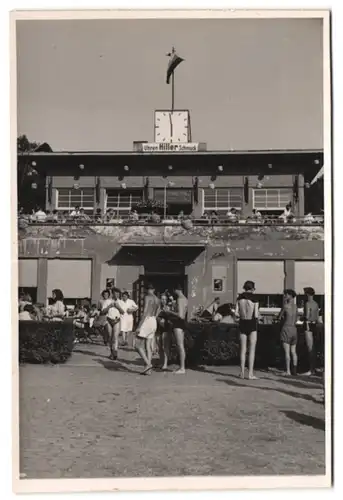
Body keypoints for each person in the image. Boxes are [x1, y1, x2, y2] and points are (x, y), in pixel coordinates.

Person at [235, 280, 259, 380]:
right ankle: (250, 374)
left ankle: (241, 373)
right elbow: (256, 314)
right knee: (252, 349)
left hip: (242, 323)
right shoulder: (255, 298)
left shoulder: (239, 298)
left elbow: (236, 313)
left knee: (243, 349)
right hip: (252, 323)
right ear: (252, 288)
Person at [135, 284, 160, 375]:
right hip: (153, 320)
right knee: (148, 345)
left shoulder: (147, 297)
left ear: (148, 289)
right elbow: (157, 312)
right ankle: (148, 369)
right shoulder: (157, 299)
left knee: (137, 345)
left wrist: (139, 326)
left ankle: (148, 364)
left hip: (147, 319)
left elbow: (145, 312)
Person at [167, 285, 188, 374]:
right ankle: (182, 366)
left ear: (177, 290)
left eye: (174, 291)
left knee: (180, 346)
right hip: (182, 324)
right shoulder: (185, 299)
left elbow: (180, 315)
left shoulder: (180, 299)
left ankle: (182, 368)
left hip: (178, 323)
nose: (174, 293)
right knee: (181, 346)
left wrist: (169, 311)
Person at [277, 289, 298, 376]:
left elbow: (279, 317)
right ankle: (295, 370)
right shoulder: (296, 306)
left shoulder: (285, 306)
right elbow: (296, 319)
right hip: (294, 329)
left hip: (286, 328)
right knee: (293, 351)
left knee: (287, 351)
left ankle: (288, 370)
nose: (285, 296)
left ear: (290, 295)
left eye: (286, 294)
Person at [303, 287, 320, 375]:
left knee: (310, 347)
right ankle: (314, 367)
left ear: (307, 294)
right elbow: (316, 316)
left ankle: (311, 369)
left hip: (308, 325)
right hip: (315, 325)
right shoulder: (316, 304)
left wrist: (302, 318)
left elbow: (306, 316)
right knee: (314, 348)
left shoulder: (307, 303)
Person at [106, 288, 124, 360]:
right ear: (112, 294)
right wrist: (109, 306)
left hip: (117, 320)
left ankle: (115, 353)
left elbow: (123, 312)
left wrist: (118, 307)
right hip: (109, 320)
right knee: (110, 337)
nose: (116, 295)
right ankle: (111, 352)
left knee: (115, 337)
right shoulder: (108, 301)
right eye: (115, 293)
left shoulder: (121, 302)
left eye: (118, 294)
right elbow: (103, 311)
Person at [157, 294, 173, 370]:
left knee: (165, 347)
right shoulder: (158, 308)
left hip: (166, 329)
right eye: (162, 299)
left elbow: (170, 319)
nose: (163, 300)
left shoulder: (168, 308)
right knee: (160, 346)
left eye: (164, 299)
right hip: (159, 328)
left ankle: (165, 364)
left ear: (166, 300)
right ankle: (161, 361)